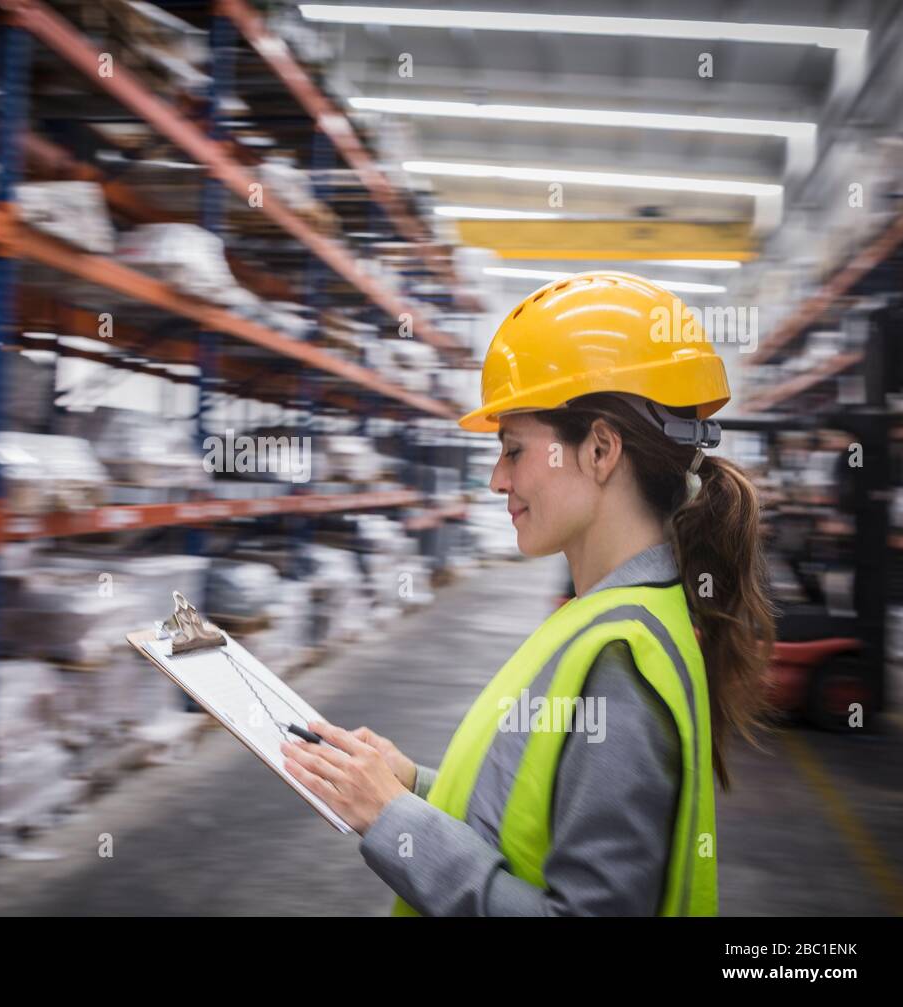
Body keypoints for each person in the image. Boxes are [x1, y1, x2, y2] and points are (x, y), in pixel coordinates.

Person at [282, 270, 775, 916]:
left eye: (513, 450)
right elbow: (527, 827)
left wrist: (393, 820)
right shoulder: (608, 620)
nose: (495, 478)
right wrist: (410, 786)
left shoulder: (620, 660)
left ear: (600, 449)